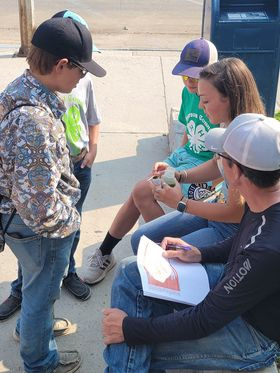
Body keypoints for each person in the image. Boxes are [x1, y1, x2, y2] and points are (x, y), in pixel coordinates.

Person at [102, 113, 280, 372]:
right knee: (131, 269)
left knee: (132, 346)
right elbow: (243, 239)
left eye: (221, 158)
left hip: (252, 338)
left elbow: (205, 319)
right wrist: (200, 253)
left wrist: (130, 328)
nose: (217, 162)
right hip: (241, 294)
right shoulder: (265, 194)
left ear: (237, 172)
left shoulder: (266, 248)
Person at [0, 17, 105, 373]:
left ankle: (32, 330)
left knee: (35, 290)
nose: (81, 79)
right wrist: (73, 219)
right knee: (42, 296)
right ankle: (40, 361)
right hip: (38, 231)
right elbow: (40, 208)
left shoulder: (22, 88)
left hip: (18, 221)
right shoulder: (34, 123)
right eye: (81, 70)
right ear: (62, 65)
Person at [82, 38, 219, 284]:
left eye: (196, 78)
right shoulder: (189, 93)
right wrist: (175, 159)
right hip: (186, 158)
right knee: (143, 190)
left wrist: (188, 183)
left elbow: (222, 167)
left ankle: (165, 255)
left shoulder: (221, 105)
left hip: (209, 174)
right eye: (185, 77)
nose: (189, 83)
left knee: (143, 190)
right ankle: (109, 251)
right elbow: (190, 129)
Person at [130, 57, 265, 255]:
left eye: (205, 100)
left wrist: (181, 203)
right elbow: (215, 164)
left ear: (228, 97)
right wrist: (180, 175)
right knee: (139, 239)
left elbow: (235, 213)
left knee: (151, 256)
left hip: (229, 231)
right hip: (215, 208)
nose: (200, 106)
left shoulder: (243, 144)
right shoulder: (228, 125)